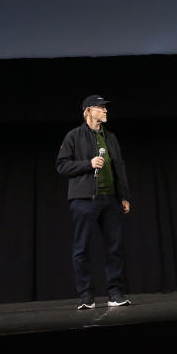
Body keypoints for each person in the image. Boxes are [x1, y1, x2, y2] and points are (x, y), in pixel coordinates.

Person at [56, 94, 132, 309]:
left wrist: (124, 196)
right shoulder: (73, 136)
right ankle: (86, 296)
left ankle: (115, 294)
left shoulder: (111, 138)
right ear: (88, 111)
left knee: (114, 248)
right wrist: (88, 164)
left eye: (106, 108)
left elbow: (120, 168)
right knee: (82, 248)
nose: (106, 111)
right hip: (84, 201)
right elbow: (61, 165)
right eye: (101, 108)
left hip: (110, 200)